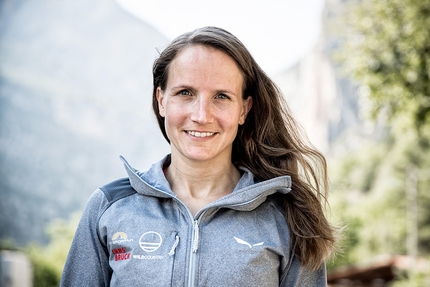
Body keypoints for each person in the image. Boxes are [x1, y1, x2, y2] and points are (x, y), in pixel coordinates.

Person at [60, 26, 337, 286]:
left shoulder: (287, 218)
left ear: (244, 109)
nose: (202, 115)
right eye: (185, 92)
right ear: (161, 100)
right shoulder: (108, 208)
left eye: (221, 96)